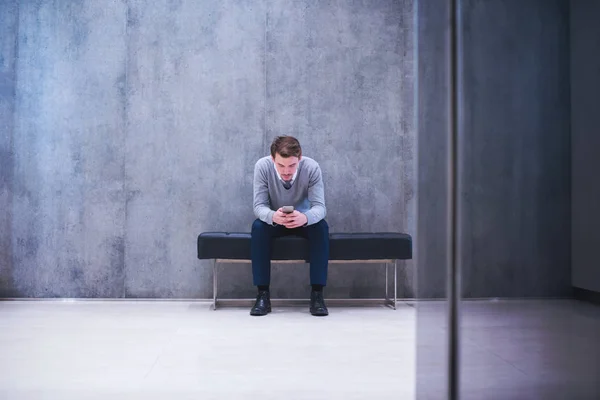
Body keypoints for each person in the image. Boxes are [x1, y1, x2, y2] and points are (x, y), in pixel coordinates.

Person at [250, 135, 329, 316]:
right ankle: (263, 295)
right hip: (276, 219)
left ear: (299, 158)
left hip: (303, 219)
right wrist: (273, 216)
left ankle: (317, 294)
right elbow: (259, 206)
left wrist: (305, 218)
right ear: (273, 159)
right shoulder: (262, 166)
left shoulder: (311, 167)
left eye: (292, 166)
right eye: (281, 165)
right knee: (258, 227)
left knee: (321, 228)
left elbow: (320, 207)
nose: (287, 171)